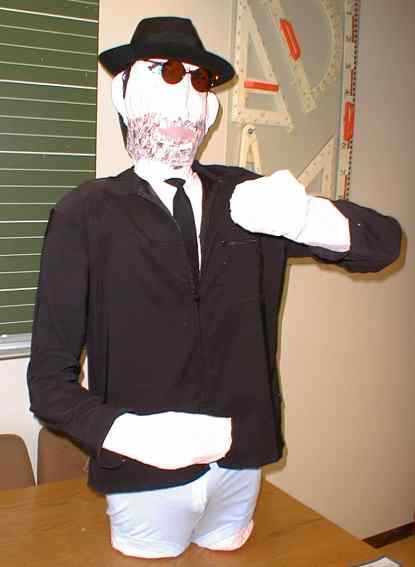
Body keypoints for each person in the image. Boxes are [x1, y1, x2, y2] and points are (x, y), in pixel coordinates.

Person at [27, 17, 401, 559]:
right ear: (124, 92)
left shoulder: (246, 197)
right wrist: (130, 435)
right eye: (166, 72)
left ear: (211, 107)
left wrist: (306, 218)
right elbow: (48, 383)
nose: (184, 93)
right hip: (144, 481)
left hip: (241, 468)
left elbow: (383, 244)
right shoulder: (85, 214)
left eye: (199, 80)